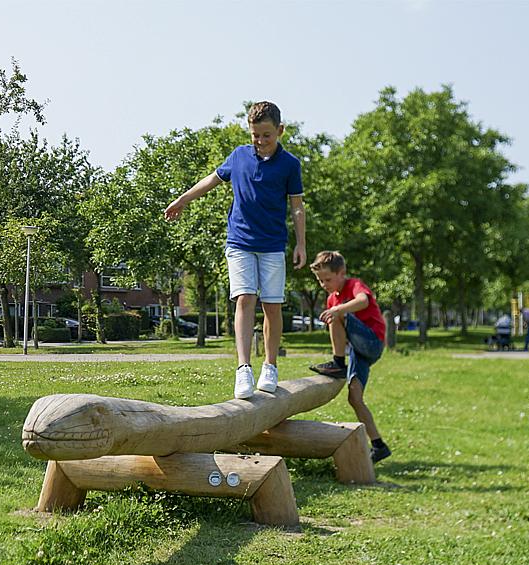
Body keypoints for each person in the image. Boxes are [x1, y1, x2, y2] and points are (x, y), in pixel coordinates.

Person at [164, 101, 306, 399]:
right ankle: (243, 368)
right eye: (255, 135)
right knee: (245, 298)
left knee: (272, 306)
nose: (260, 141)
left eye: (266, 135)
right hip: (240, 242)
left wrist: (301, 244)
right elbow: (211, 180)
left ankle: (270, 365)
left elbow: (297, 207)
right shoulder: (239, 156)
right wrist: (182, 200)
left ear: (280, 131)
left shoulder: (290, 164)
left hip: (272, 245)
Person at [307, 251, 391, 463]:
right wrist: (336, 312)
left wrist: (338, 310)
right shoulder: (332, 299)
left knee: (336, 313)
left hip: (372, 342)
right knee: (354, 397)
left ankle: (337, 363)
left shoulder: (354, 285)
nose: (323, 284)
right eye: (320, 280)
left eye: (328, 279)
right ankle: (379, 445)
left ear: (341, 273)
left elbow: (363, 301)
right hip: (357, 350)